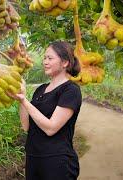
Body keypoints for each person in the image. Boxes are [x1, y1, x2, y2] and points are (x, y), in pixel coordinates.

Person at [8, 41, 82, 180]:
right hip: (33, 159)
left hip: (57, 162)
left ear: (65, 62)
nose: (45, 62)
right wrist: (21, 99)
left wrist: (25, 101)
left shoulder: (70, 90)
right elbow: (27, 127)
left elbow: (51, 128)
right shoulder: (40, 89)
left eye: (50, 58)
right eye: (44, 58)